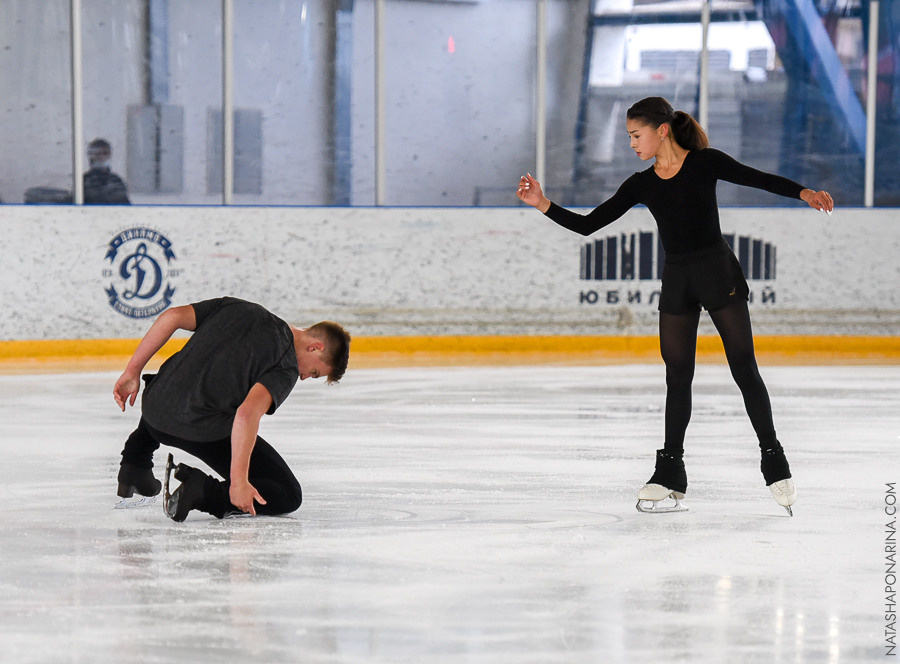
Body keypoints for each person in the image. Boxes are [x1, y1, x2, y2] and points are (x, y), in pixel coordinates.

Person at [517, 96, 833, 515]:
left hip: (718, 273)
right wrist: (543, 203)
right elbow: (589, 224)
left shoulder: (705, 162)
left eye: (635, 135)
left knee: (744, 367)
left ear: (661, 130)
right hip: (679, 279)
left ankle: (775, 462)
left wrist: (804, 193)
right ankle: (670, 473)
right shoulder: (641, 183)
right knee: (677, 376)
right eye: (629, 136)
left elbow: (757, 178)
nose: (631, 143)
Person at [113, 296, 351, 522]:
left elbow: (173, 316)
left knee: (188, 375)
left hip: (153, 412)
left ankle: (134, 462)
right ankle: (203, 490)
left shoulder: (236, 307)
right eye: (315, 372)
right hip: (195, 431)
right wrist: (237, 483)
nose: (304, 377)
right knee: (288, 493)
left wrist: (132, 371)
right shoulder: (286, 365)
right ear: (315, 348)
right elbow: (246, 415)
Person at [84, 138, 131, 205]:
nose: (101, 157)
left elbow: (126, 207)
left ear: (110, 155)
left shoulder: (116, 181)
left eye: (105, 153)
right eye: (97, 154)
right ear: (91, 156)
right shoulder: (83, 181)